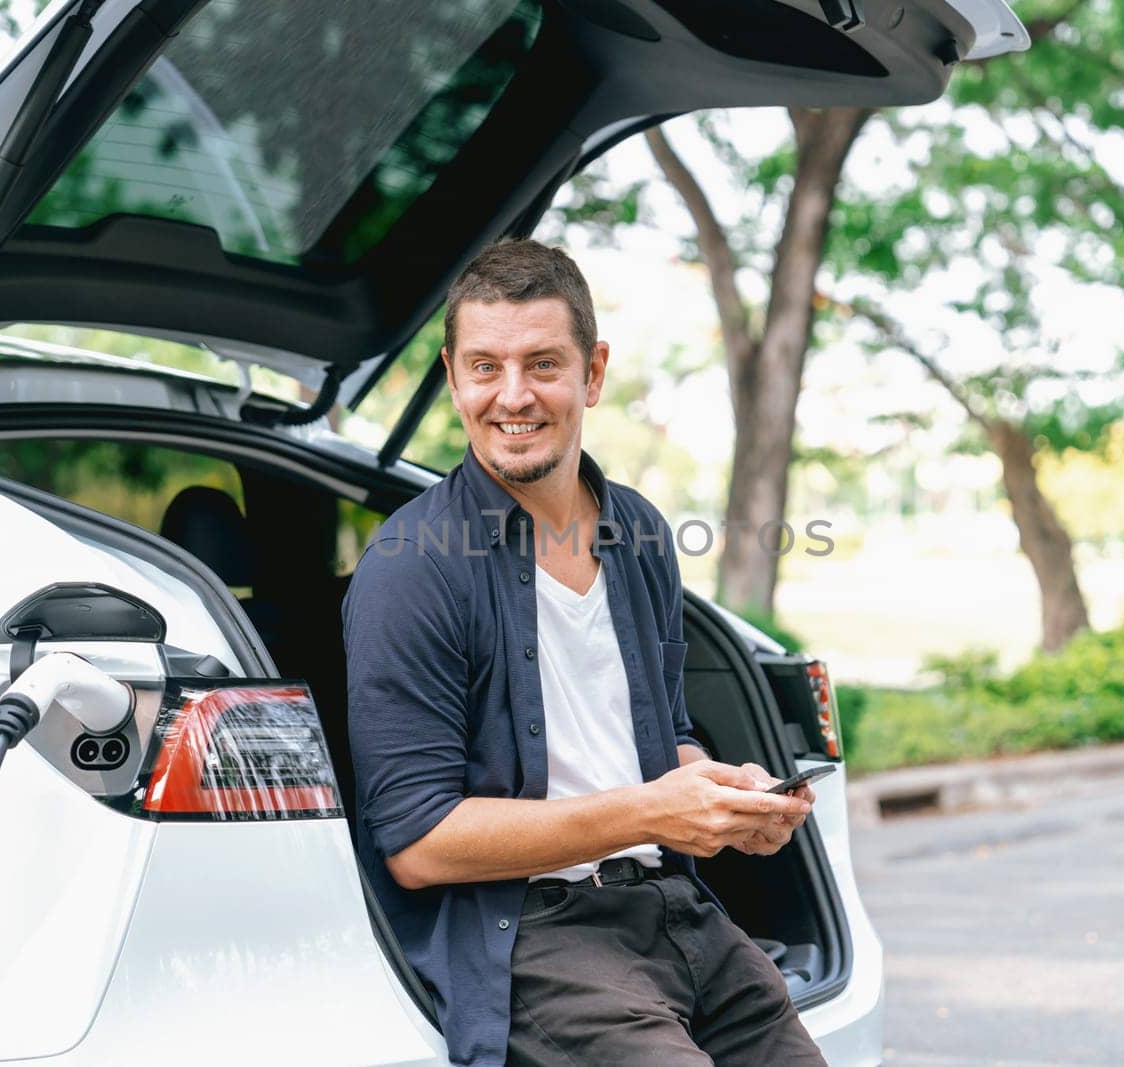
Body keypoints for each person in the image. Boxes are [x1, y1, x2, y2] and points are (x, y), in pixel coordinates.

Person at [343, 239, 826, 1066]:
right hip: (536, 936)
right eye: (486, 367)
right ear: (454, 376)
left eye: (542, 363)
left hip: (676, 909)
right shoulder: (412, 568)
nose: (513, 395)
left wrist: (720, 790)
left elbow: (655, 736)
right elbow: (418, 845)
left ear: (592, 373)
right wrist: (648, 811)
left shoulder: (637, 531)